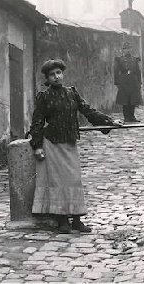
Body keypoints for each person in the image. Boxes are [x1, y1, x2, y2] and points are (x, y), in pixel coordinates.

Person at [29, 59, 122, 234]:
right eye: (52, 75)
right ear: (47, 79)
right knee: (58, 183)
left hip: (70, 143)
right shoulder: (44, 97)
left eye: (59, 73)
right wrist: (37, 146)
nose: (56, 77)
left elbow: (88, 110)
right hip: (53, 144)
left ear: (62, 74)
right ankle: (62, 220)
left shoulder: (72, 93)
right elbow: (37, 123)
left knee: (74, 181)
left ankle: (77, 220)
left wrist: (109, 121)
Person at [114, 41, 142, 123]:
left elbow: (138, 71)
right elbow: (116, 71)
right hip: (123, 81)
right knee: (125, 100)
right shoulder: (119, 59)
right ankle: (126, 117)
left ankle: (132, 116)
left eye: (129, 49)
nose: (128, 51)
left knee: (133, 99)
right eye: (126, 49)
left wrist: (139, 82)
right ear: (123, 50)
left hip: (133, 81)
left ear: (131, 49)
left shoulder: (134, 59)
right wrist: (117, 82)